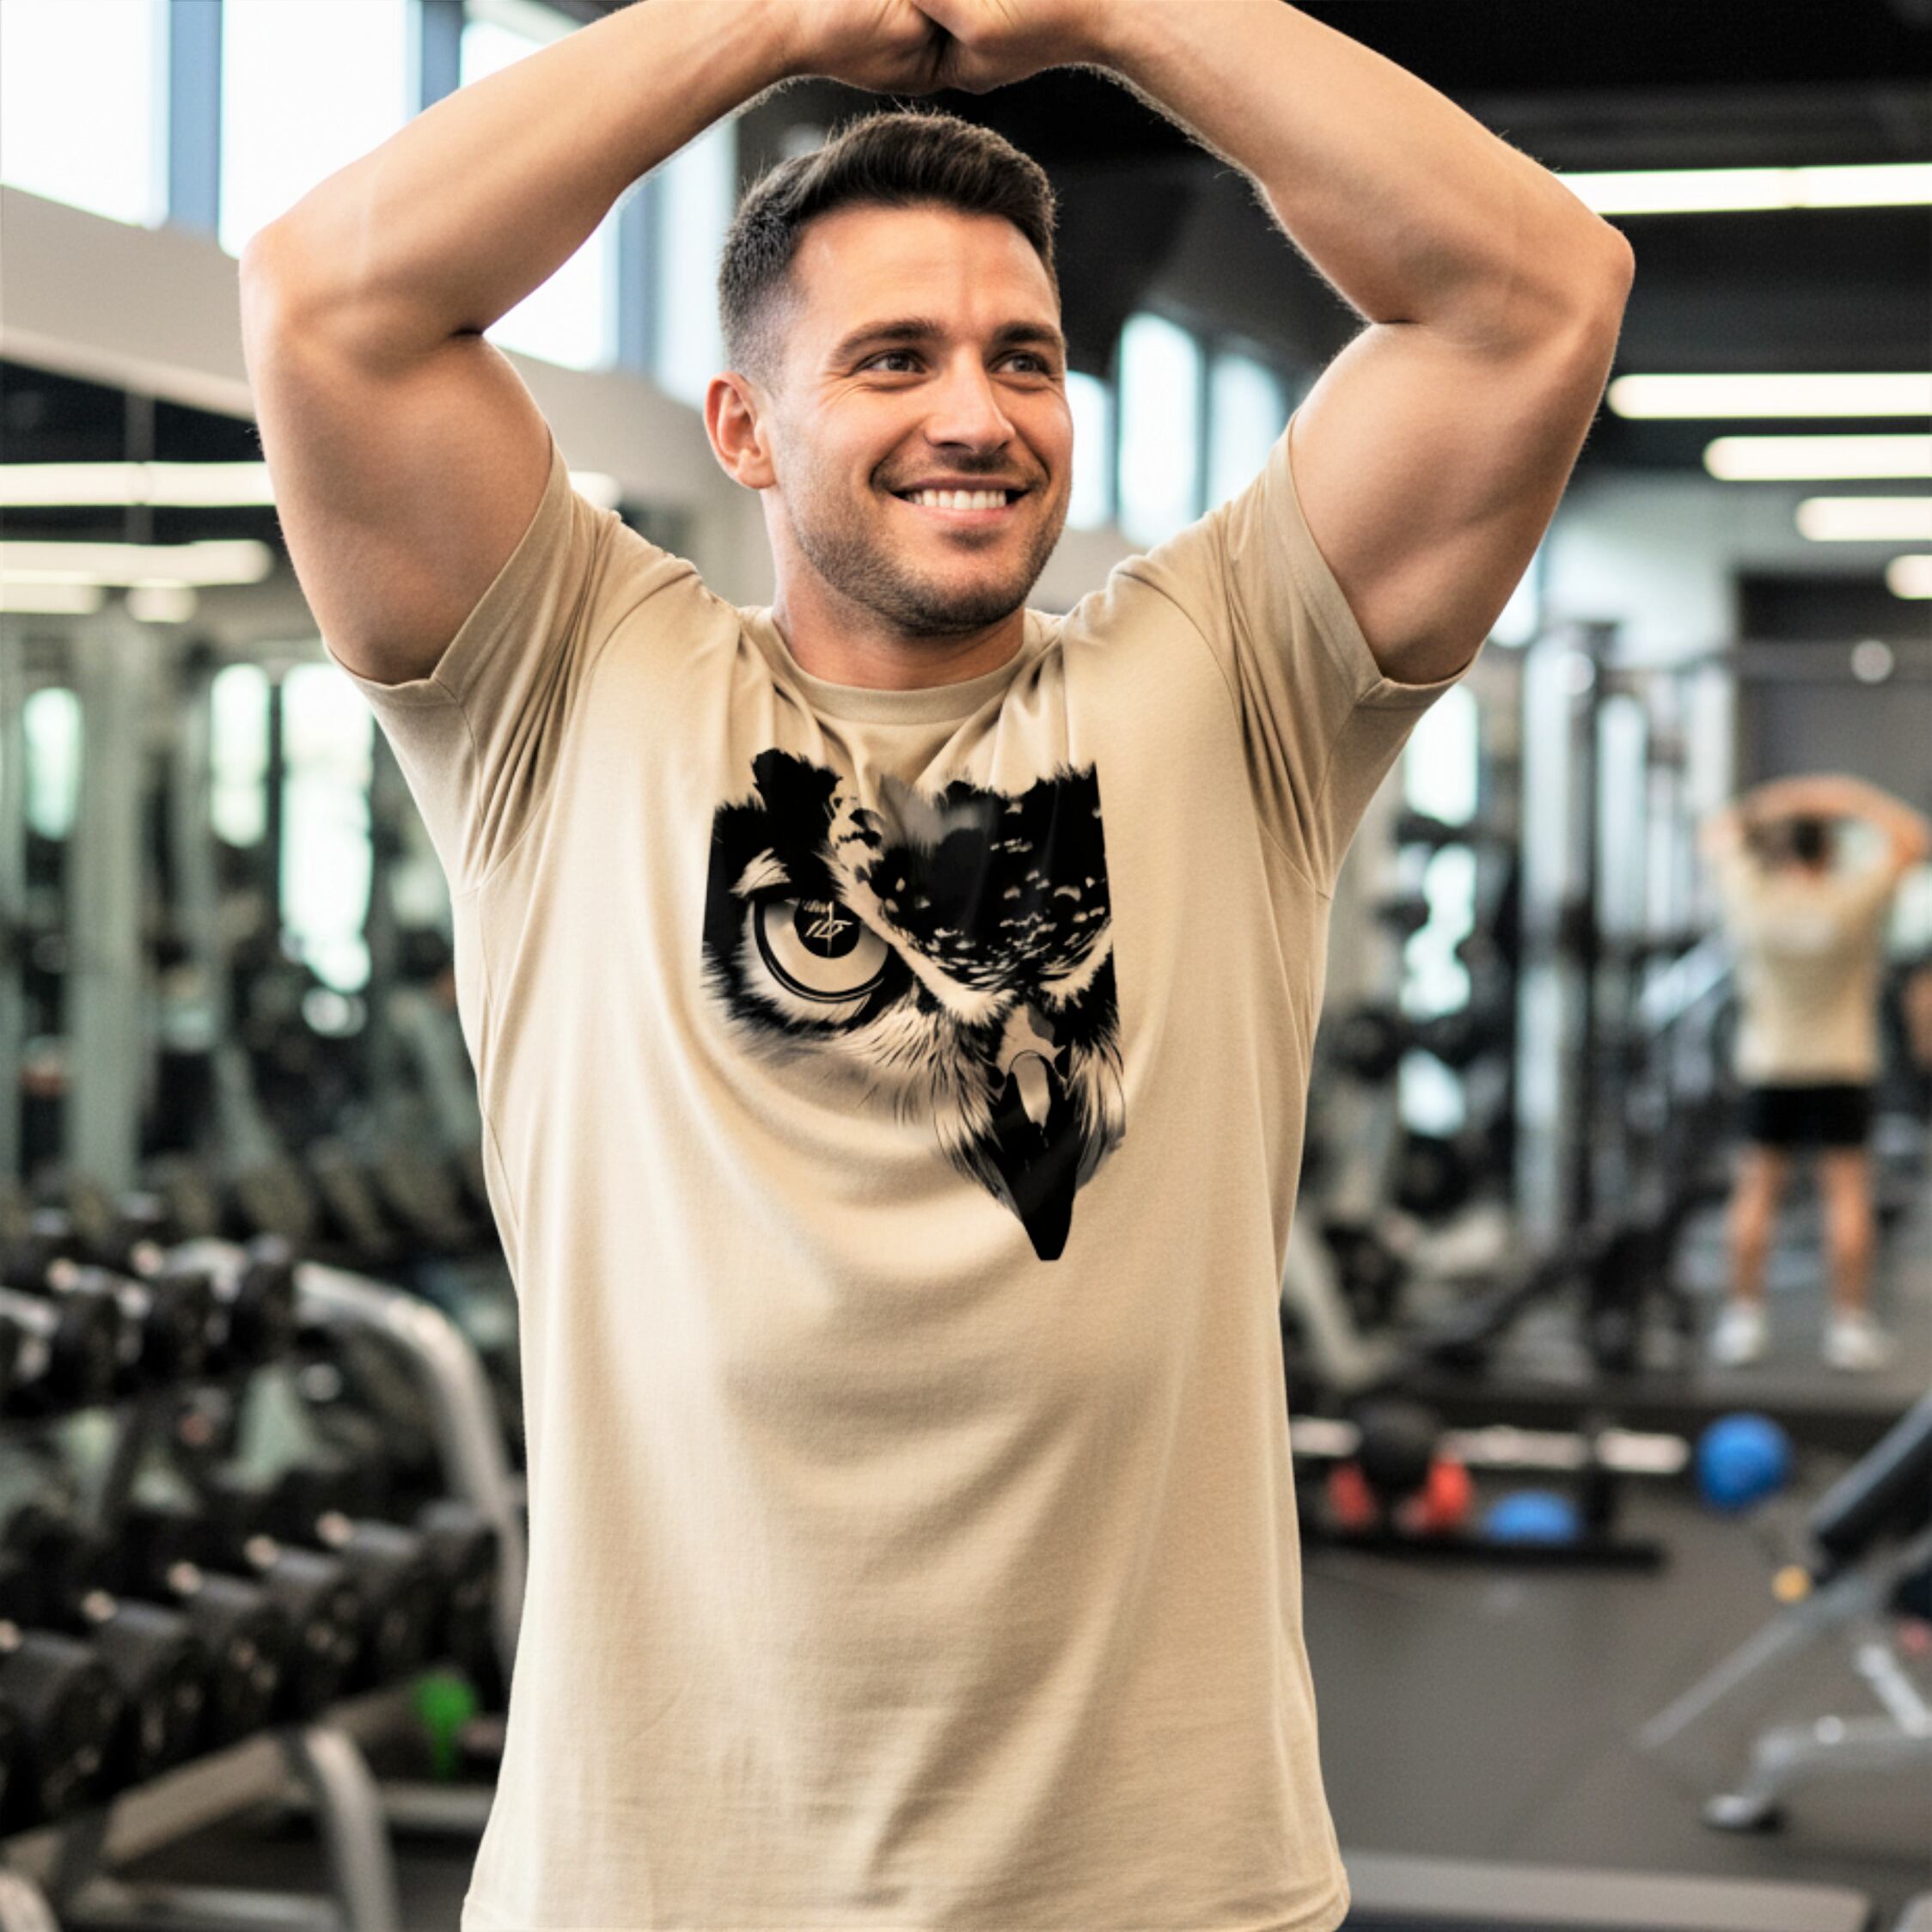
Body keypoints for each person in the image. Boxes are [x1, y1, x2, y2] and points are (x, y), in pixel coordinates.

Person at [238, 2, 1631, 1926]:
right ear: (741, 426)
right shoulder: (565, 687)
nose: (976, 415)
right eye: (892, 356)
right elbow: (329, 301)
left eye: (1023, 359)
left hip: (1152, 1893)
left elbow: (1536, 294)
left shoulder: (1232, 683)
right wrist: (766, 22)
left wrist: (1118, 14)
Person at [1701, 774, 1932, 1373]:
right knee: (1847, 1193)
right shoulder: (1851, 902)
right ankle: (1849, 1326)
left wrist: (1786, 799)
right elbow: (1914, 839)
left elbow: (1718, 832)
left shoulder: (1756, 899)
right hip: (1840, 1067)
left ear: (1782, 853)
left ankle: (1743, 1320)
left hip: (1772, 1066)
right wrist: (1844, 794)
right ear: (1828, 852)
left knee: (1757, 1190)